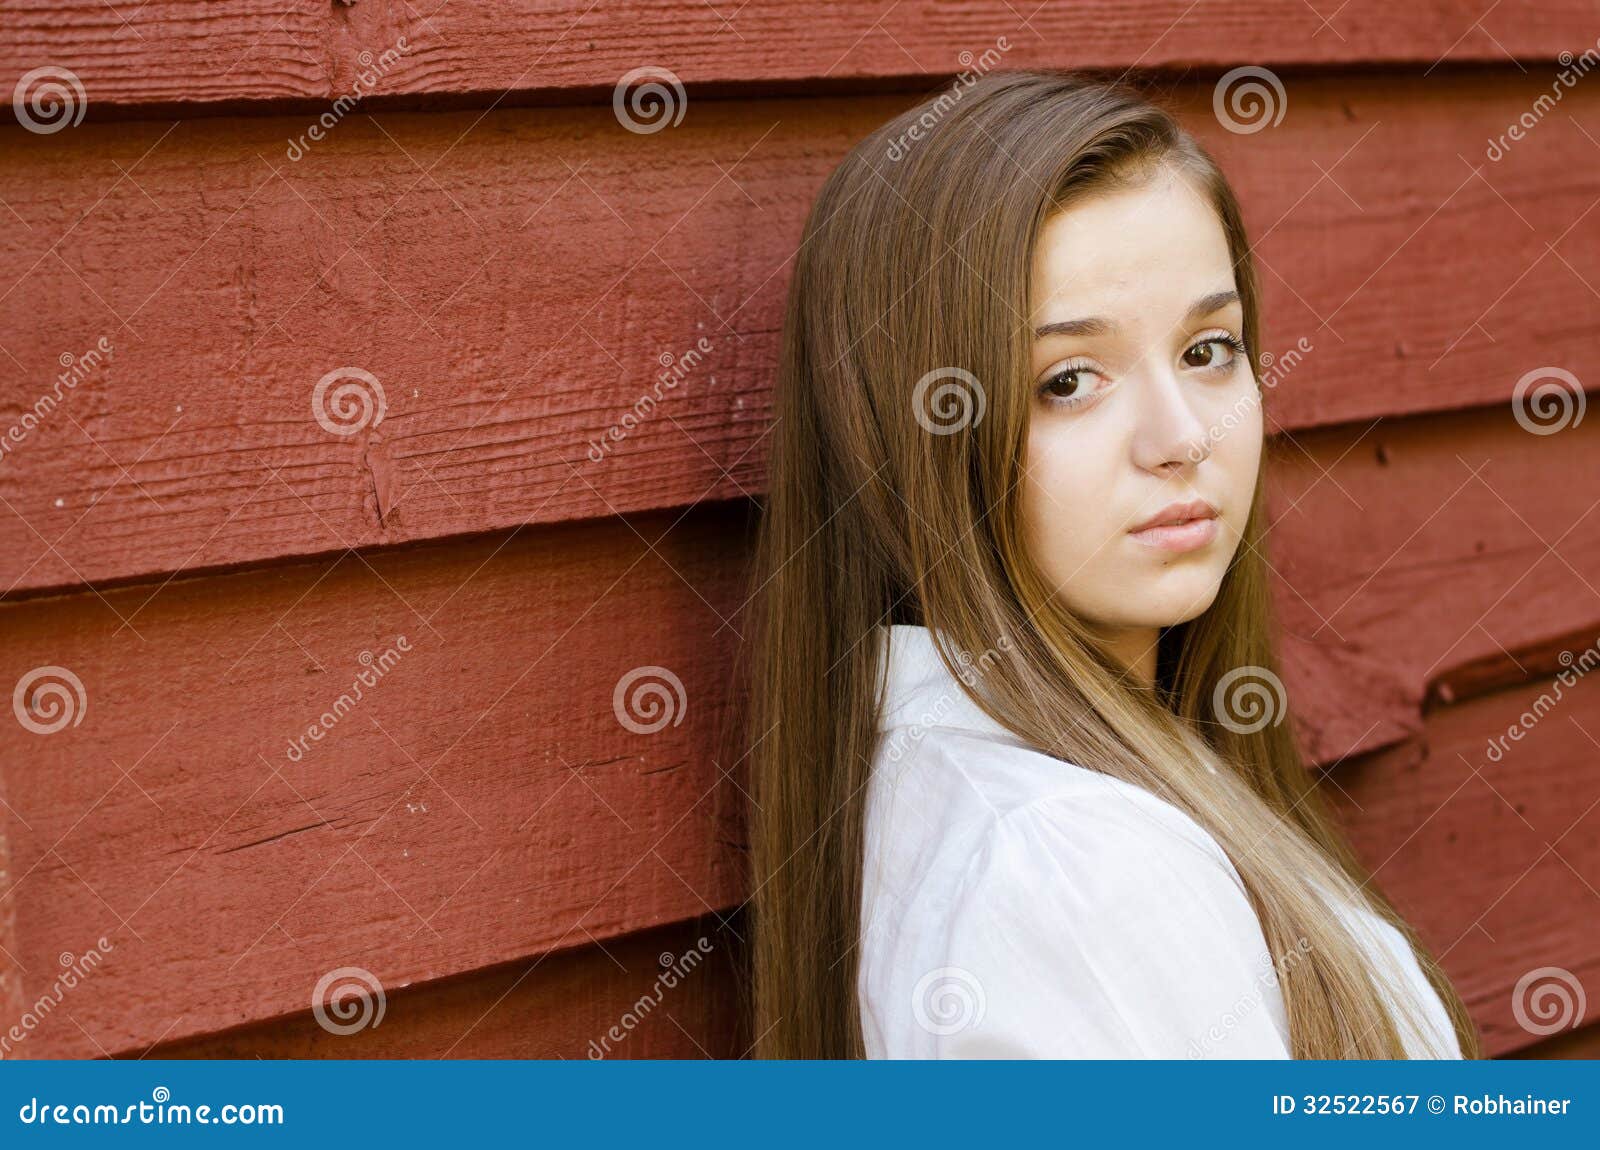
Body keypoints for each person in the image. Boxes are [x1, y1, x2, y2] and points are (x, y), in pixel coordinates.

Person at [742, 69, 1479, 1059]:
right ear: (915, 432)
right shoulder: (1069, 870)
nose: (1181, 436)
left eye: (1209, 349)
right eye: (1069, 380)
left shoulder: (1010, 804)